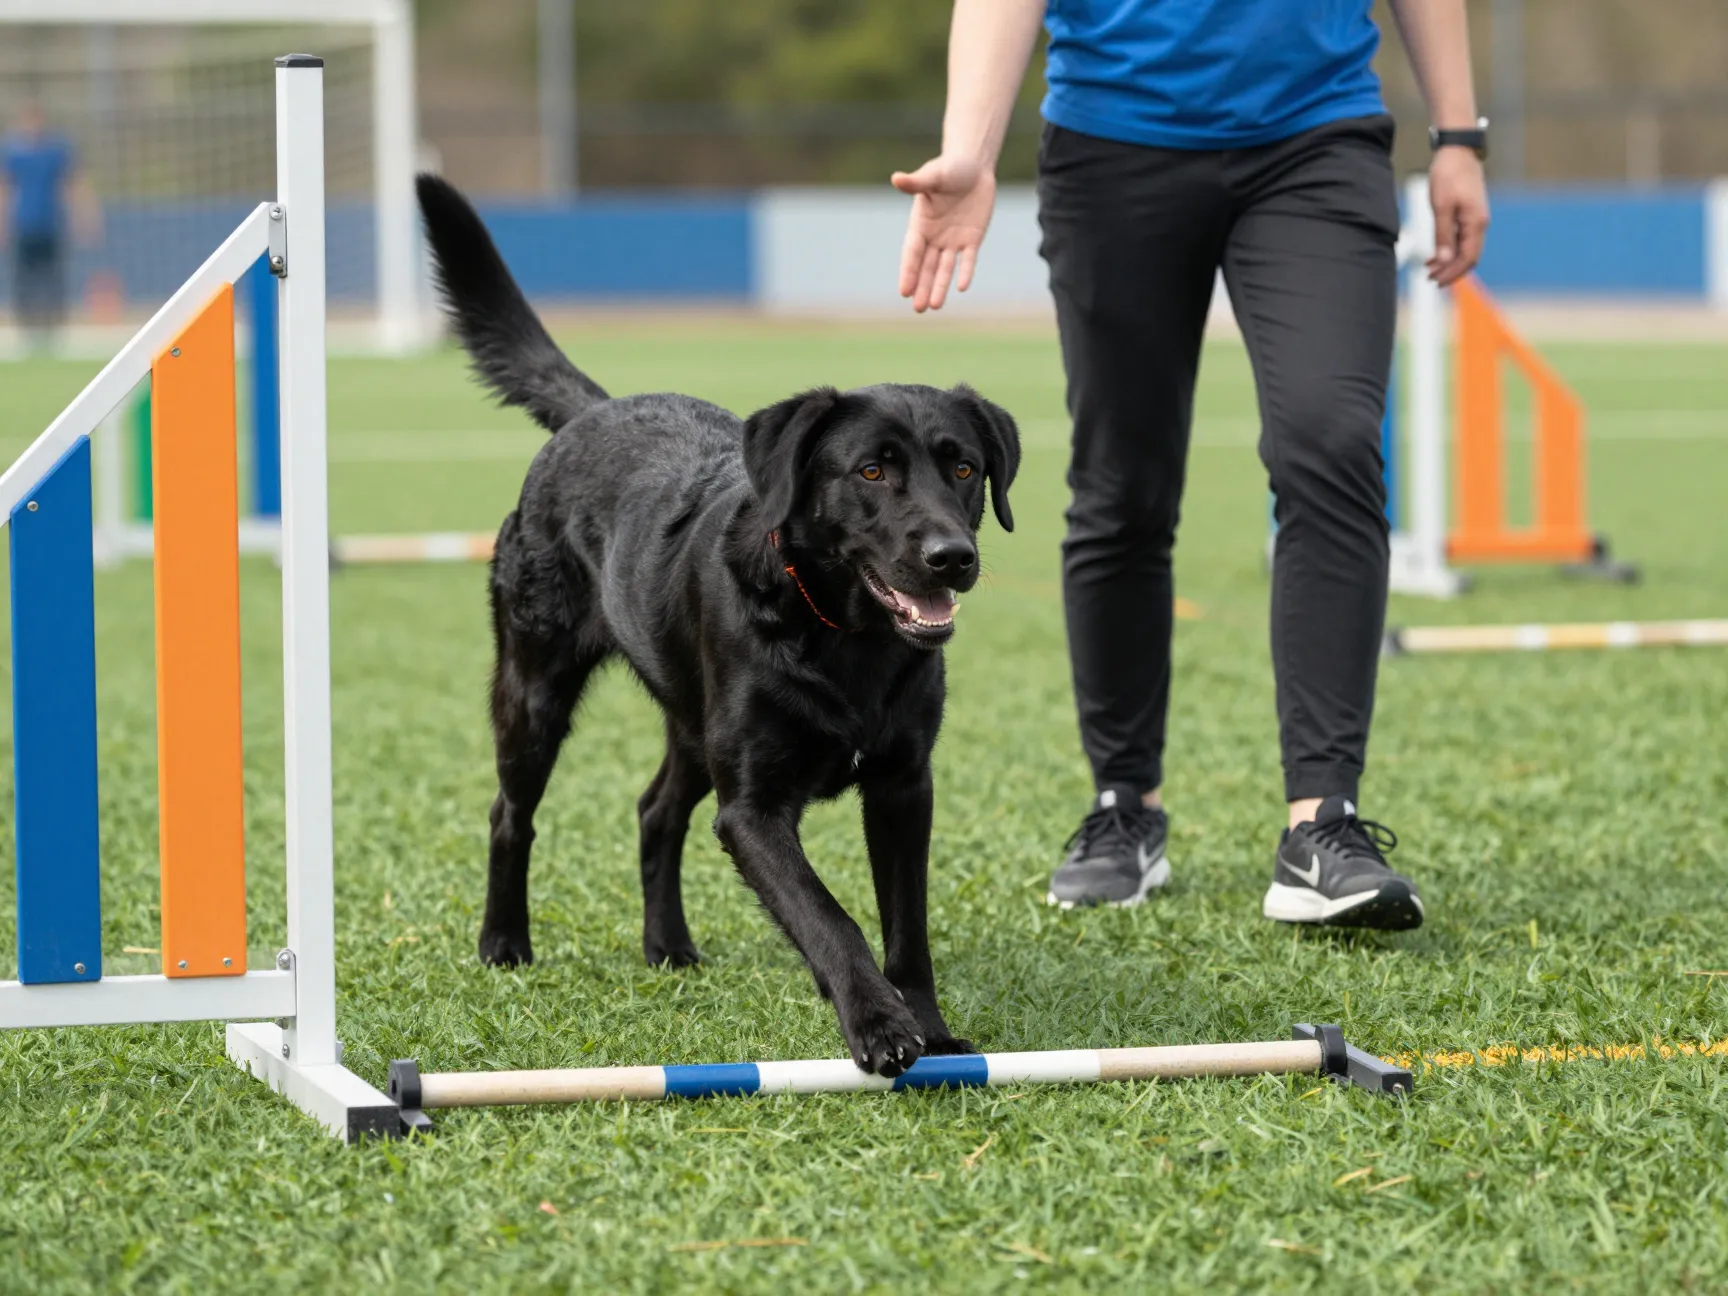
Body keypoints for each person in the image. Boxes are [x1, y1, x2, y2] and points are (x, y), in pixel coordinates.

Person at [894, 1, 1489, 928]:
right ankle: (1124, 805)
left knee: (1332, 442)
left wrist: (1458, 133)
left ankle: (1321, 824)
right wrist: (968, 145)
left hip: (1318, 136)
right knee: (1122, 485)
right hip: (1112, 143)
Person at [2, 98, 96, 349]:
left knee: (53, 276)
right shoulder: (12, 151)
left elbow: (73, 185)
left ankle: (53, 327)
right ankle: (27, 328)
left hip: (50, 224)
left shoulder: (56, 150)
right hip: (24, 225)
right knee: (23, 277)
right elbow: (5, 189)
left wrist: (84, 218)